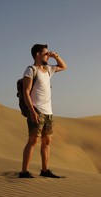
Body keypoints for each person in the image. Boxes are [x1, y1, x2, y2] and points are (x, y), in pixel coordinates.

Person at [19, 44, 67, 178]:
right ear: (38, 55)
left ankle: (45, 170)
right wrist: (32, 112)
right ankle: (24, 172)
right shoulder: (30, 70)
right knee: (33, 141)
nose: (48, 56)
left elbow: (64, 67)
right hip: (37, 110)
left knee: (47, 142)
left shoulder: (48, 69)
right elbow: (26, 92)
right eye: (46, 54)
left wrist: (56, 56)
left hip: (48, 112)